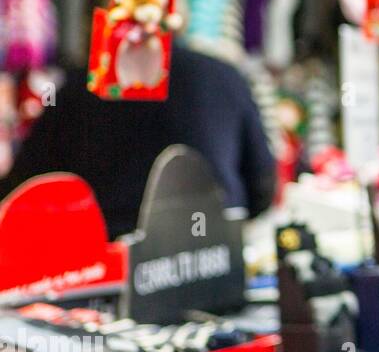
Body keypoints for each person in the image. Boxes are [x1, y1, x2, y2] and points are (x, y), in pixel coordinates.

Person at [0, 45, 277, 239]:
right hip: (210, 253)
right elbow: (262, 183)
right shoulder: (223, 75)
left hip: (104, 262)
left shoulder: (77, 83)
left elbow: (24, 188)